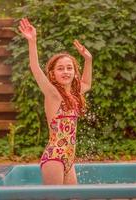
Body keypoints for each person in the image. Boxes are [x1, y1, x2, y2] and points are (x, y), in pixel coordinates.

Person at [18, 18, 93, 185]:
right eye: (60, 68)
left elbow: (87, 83)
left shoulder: (74, 94)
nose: (65, 71)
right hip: (54, 157)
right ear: (52, 74)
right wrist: (32, 42)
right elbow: (35, 69)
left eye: (69, 68)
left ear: (75, 72)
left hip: (69, 159)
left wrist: (88, 60)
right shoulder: (53, 95)